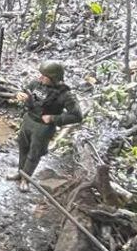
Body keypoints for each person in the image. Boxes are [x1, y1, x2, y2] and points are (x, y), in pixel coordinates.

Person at [8, 60, 83, 191]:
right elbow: (24, 91)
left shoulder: (65, 95)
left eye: (44, 76)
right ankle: (20, 172)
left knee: (34, 153)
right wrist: (20, 95)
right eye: (41, 75)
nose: (40, 78)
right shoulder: (36, 84)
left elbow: (77, 116)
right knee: (23, 147)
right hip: (28, 120)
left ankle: (26, 178)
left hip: (43, 127)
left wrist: (54, 118)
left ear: (54, 78)